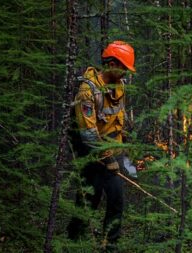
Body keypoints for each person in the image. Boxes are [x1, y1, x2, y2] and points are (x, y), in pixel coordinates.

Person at [67, 40, 136, 249]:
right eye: (123, 67)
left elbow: (118, 117)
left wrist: (122, 141)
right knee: (89, 202)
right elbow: (88, 134)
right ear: (112, 64)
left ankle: (110, 246)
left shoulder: (119, 86)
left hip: (110, 154)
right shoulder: (87, 91)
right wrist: (107, 160)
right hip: (90, 156)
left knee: (116, 201)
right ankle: (72, 241)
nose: (125, 72)